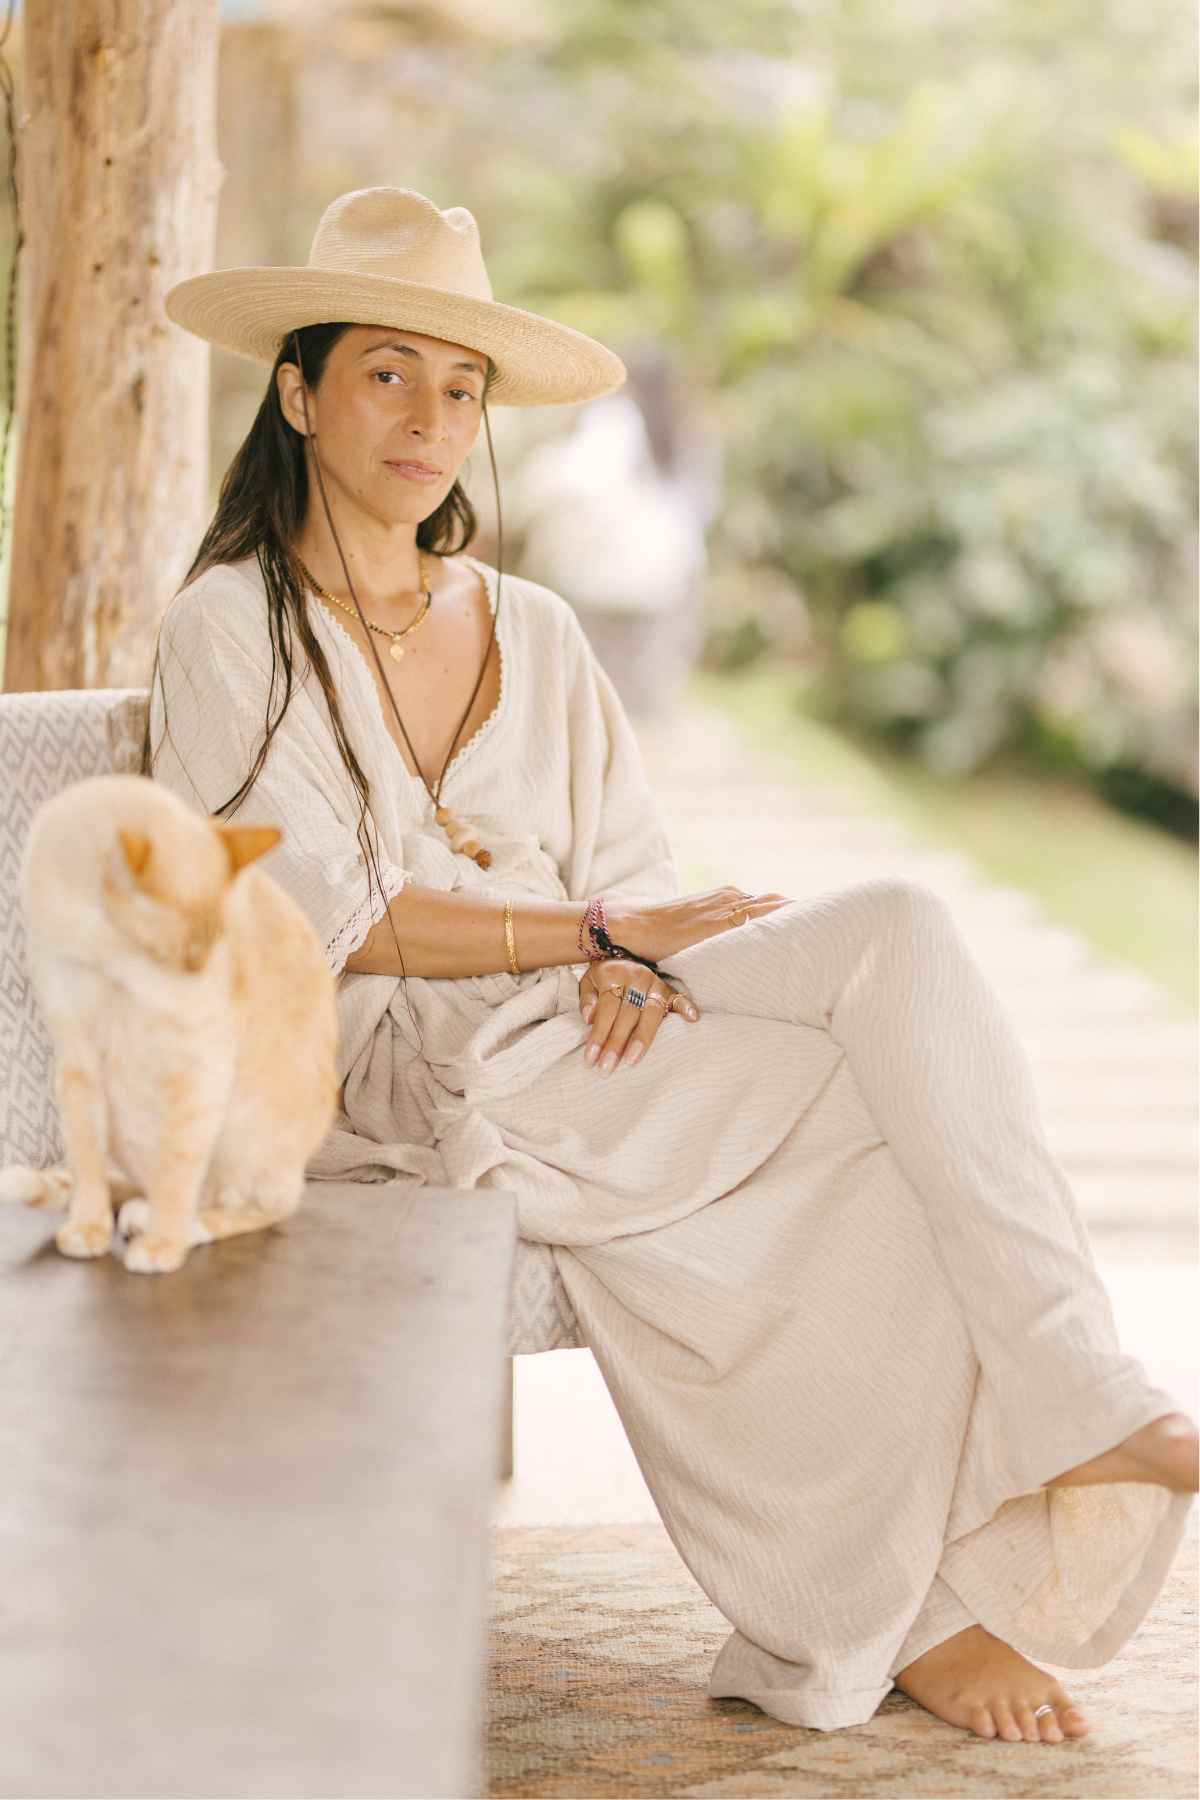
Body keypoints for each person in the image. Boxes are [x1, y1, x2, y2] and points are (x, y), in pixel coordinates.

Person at [149, 186, 1197, 1742]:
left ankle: (1072, 1398)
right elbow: (322, 920)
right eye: (386, 371)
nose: (429, 418)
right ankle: (919, 1608)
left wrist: (631, 955)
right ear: (298, 393)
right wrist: (593, 935)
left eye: (461, 387)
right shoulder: (231, 624)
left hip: (588, 1031)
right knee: (862, 1123)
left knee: (899, 943)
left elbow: (633, 875)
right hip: (402, 1067)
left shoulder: (541, 630)